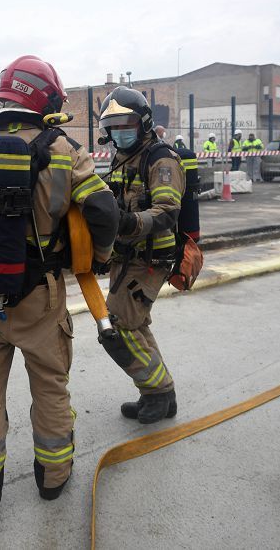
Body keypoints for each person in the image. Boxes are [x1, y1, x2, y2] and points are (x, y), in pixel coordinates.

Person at [0, 55, 118, 527]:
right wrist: (99, 259)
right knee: (50, 386)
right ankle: (53, 479)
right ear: (44, 99)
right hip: (40, 293)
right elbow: (105, 211)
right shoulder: (66, 150)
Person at [98, 86, 184, 425]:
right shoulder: (121, 157)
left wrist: (131, 221)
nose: (119, 131)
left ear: (143, 123)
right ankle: (161, 395)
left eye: (126, 123)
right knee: (136, 326)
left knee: (117, 327)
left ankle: (158, 391)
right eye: (113, 125)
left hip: (150, 260)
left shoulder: (159, 159)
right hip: (126, 256)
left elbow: (167, 211)